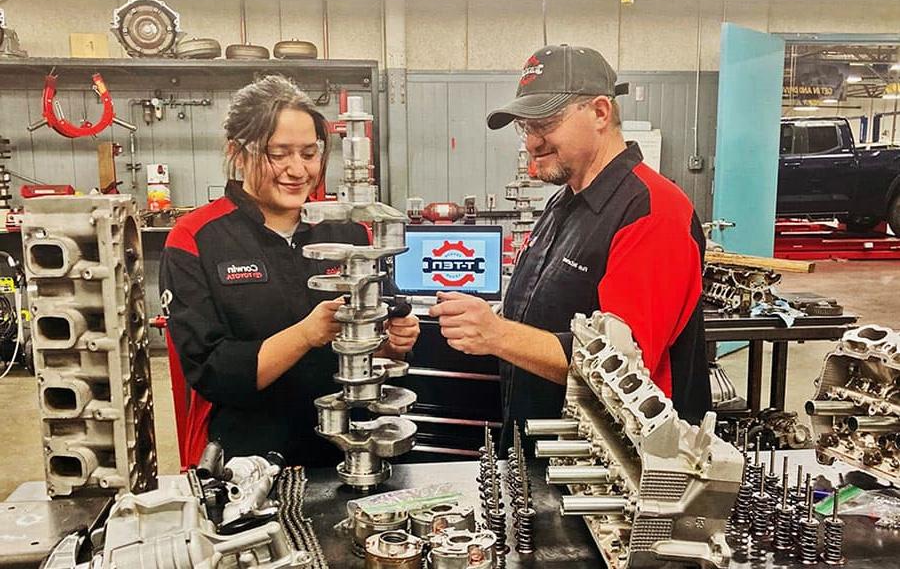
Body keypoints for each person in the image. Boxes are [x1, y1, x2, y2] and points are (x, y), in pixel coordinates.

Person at [429, 44, 710, 446]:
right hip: (545, 455)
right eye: (526, 127)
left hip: (615, 473)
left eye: (545, 121)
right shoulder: (564, 202)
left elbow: (623, 367)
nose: (531, 141)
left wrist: (496, 334)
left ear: (600, 112)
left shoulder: (653, 210)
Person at [160, 75, 419, 466]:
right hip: (250, 461)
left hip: (353, 450)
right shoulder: (195, 238)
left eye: (309, 153)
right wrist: (305, 334)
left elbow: (375, 332)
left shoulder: (351, 230)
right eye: (277, 153)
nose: (297, 170)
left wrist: (393, 341)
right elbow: (211, 372)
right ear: (238, 152)